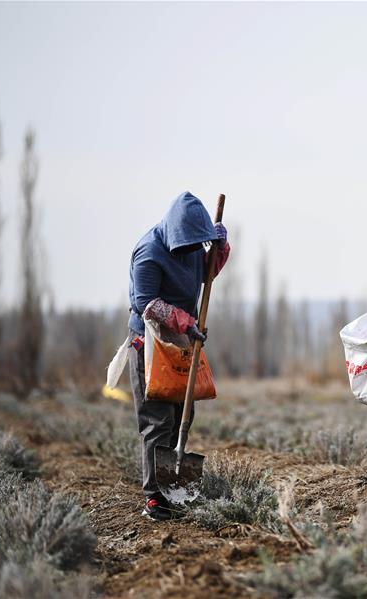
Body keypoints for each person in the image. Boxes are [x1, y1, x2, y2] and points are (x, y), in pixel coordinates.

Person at [127, 191, 230, 520]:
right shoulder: (149, 252)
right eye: (190, 244)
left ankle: (174, 489)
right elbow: (146, 303)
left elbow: (207, 273)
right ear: (176, 234)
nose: (193, 250)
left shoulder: (193, 247)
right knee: (158, 420)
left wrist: (219, 250)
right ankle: (155, 498)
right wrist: (186, 322)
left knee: (182, 414)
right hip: (150, 343)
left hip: (181, 342)